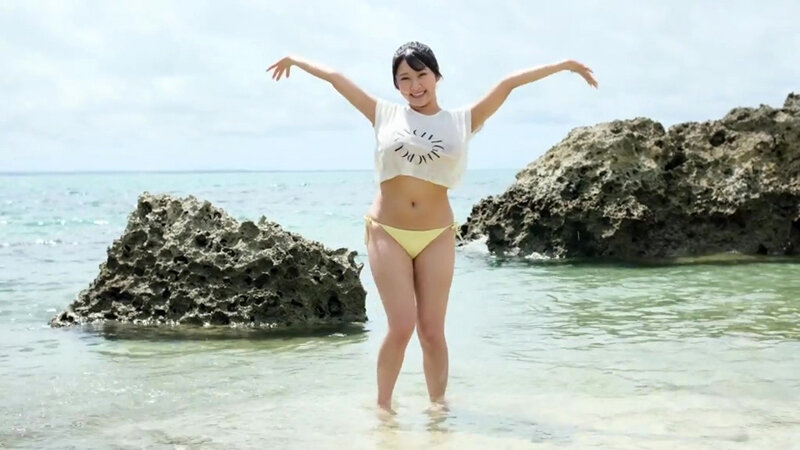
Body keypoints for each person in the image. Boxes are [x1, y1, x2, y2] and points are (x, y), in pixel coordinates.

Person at [267, 41, 597, 414]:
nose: (414, 85)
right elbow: (336, 79)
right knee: (401, 325)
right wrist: (295, 59)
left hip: (437, 234)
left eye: (421, 74)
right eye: (404, 78)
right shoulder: (384, 113)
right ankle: (383, 411)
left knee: (432, 330)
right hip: (387, 230)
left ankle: (438, 411)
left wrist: (564, 65)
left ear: (436, 76)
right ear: (396, 85)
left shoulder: (462, 120)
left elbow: (508, 84)